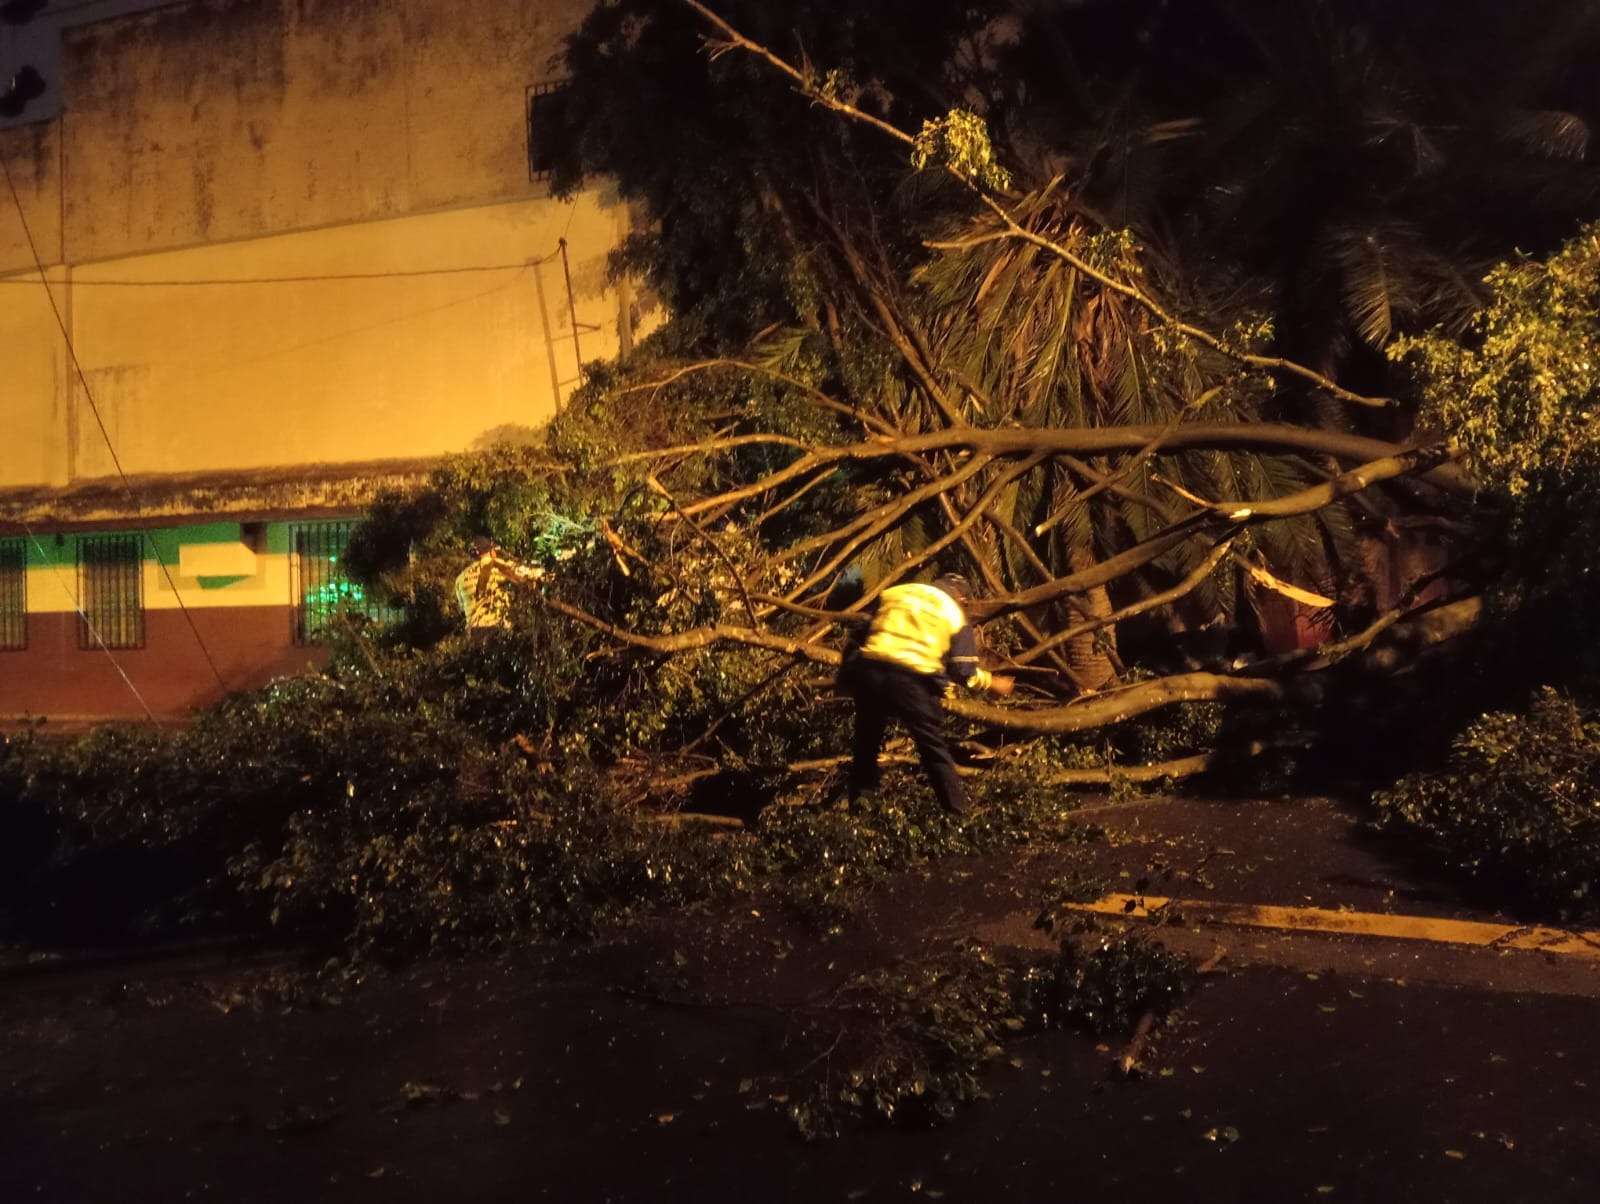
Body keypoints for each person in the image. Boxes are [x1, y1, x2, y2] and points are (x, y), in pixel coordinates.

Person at [839, 573, 1014, 815]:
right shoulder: (954, 613)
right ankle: (959, 813)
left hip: (871, 671)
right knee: (932, 747)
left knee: (866, 748)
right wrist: (993, 683)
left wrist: (847, 677)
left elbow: (859, 630)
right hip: (909, 680)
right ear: (961, 597)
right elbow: (964, 672)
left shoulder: (896, 593)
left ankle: (860, 812)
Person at [454, 535, 544, 638]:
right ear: (491, 551)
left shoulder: (460, 579)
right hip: (495, 629)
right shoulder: (494, 566)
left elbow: (462, 607)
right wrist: (544, 573)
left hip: (474, 631)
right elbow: (524, 572)